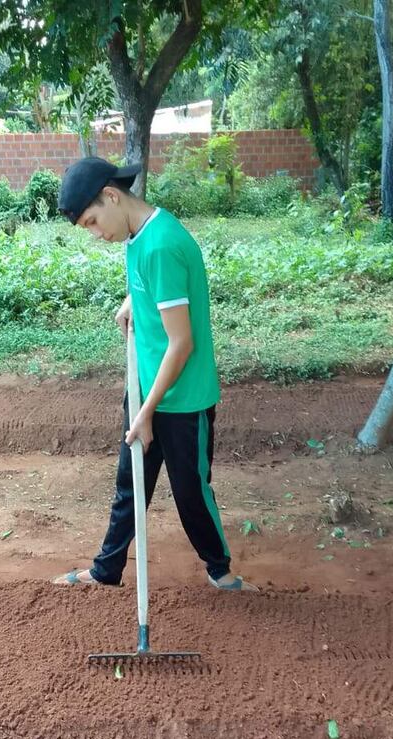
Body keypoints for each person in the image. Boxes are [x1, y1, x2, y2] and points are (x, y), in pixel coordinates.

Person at [52, 157, 258, 593]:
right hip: (147, 388)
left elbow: (181, 344)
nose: (95, 234)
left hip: (181, 400)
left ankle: (220, 571)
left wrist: (145, 413)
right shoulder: (138, 235)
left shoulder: (162, 244)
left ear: (112, 196)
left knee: (190, 493)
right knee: (131, 486)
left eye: (92, 222)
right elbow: (152, 284)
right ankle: (106, 570)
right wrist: (133, 299)